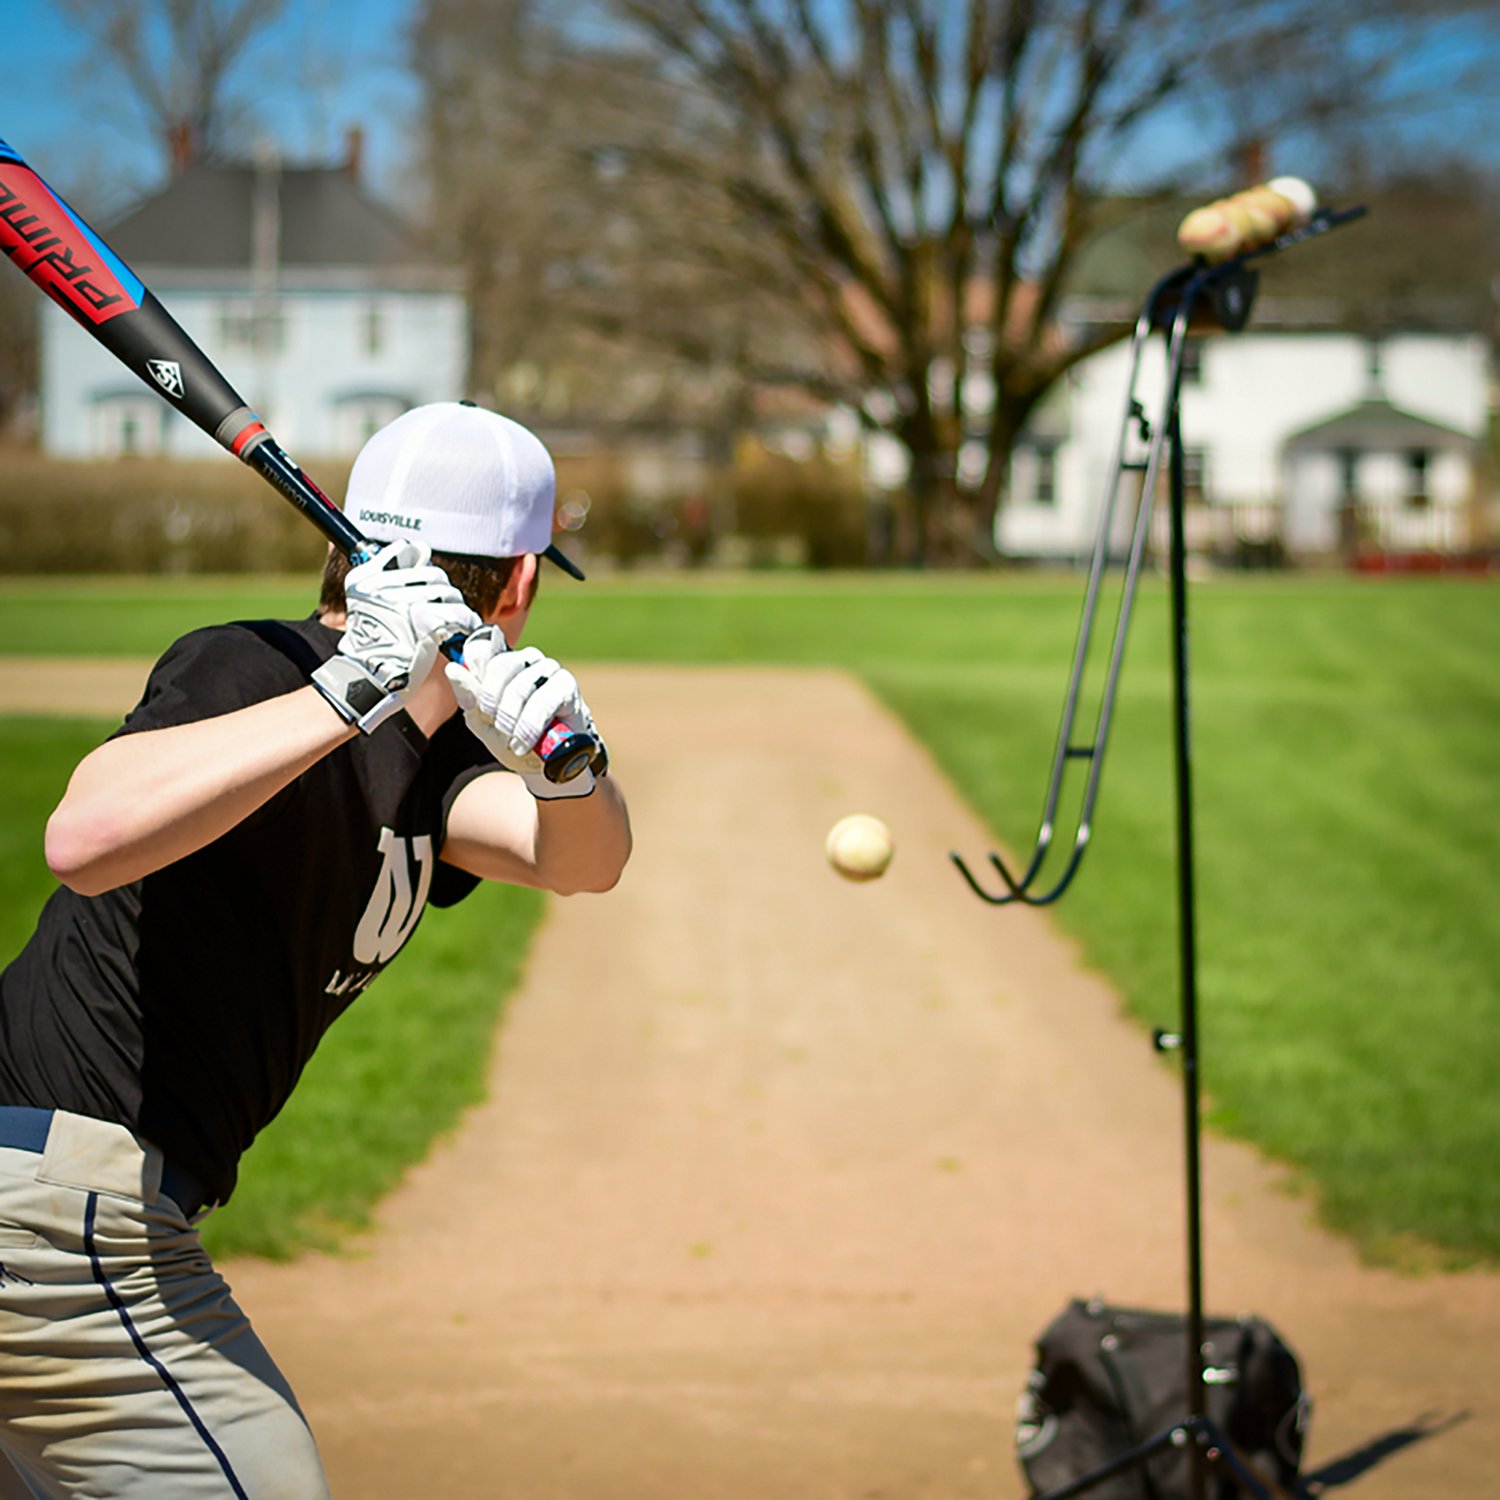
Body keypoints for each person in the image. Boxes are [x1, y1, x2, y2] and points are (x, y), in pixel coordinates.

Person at [0, 401, 632, 1498]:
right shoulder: (256, 669)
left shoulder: (433, 769)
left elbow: (583, 861)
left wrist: (569, 769)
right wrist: (347, 687)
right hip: (54, 1209)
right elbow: (82, 842)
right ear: (521, 583)